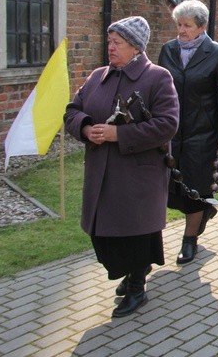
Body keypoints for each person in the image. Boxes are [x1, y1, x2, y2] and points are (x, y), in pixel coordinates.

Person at [64, 16, 179, 317]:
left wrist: (119, 134)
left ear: (136, 48)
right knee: (103, 233)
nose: (110, 47)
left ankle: (137, 286)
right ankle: (128, 271)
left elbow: (168, 124)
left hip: (138, 174)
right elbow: (72, 111)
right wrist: (86, 127)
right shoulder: (97, 76)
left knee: (134, 233)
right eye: (110, 40)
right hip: (101, 173)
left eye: (118, 42)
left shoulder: (157, 77)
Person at [158, 0, 218, 264]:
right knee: (166, 189)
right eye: (178, 24)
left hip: (203, 135)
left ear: (201, 27)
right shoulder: (167, 50)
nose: (181, 30)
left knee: (196, 188)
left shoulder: (217, 53)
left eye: (187, 25)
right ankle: (203, 212)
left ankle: (189, 240)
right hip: (170, 132)